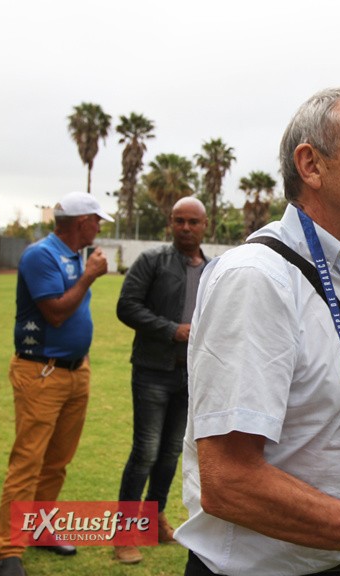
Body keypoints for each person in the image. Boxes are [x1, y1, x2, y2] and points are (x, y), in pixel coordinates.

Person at [173, 87, 340, 576]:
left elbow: (327, 412)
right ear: (311, 166)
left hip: (333, 558)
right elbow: (229, 481)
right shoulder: (258, 278)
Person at [0, 192, 111, 576]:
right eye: (97, 220)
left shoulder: (75, 254)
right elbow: (56, 313)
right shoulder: (40, 255)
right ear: (82, 223)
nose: (99, 227)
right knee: (28, 460)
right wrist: (90, 275)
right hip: (41, 372)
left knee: (57, 462)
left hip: (75, 371)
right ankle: (10, 548)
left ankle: (39, 529)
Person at [113, 197, 210, 565]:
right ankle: (123, 534)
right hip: (153, 371)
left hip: (192, 375)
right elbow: (127, 306)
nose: (185, 228)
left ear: (205, 225)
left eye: (193, 222)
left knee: (172, 453)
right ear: (170, 223)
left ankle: (153, 521)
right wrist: (172, 330)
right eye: (178, 221)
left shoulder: (215, 269)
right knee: (146, 452)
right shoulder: (152, 261)